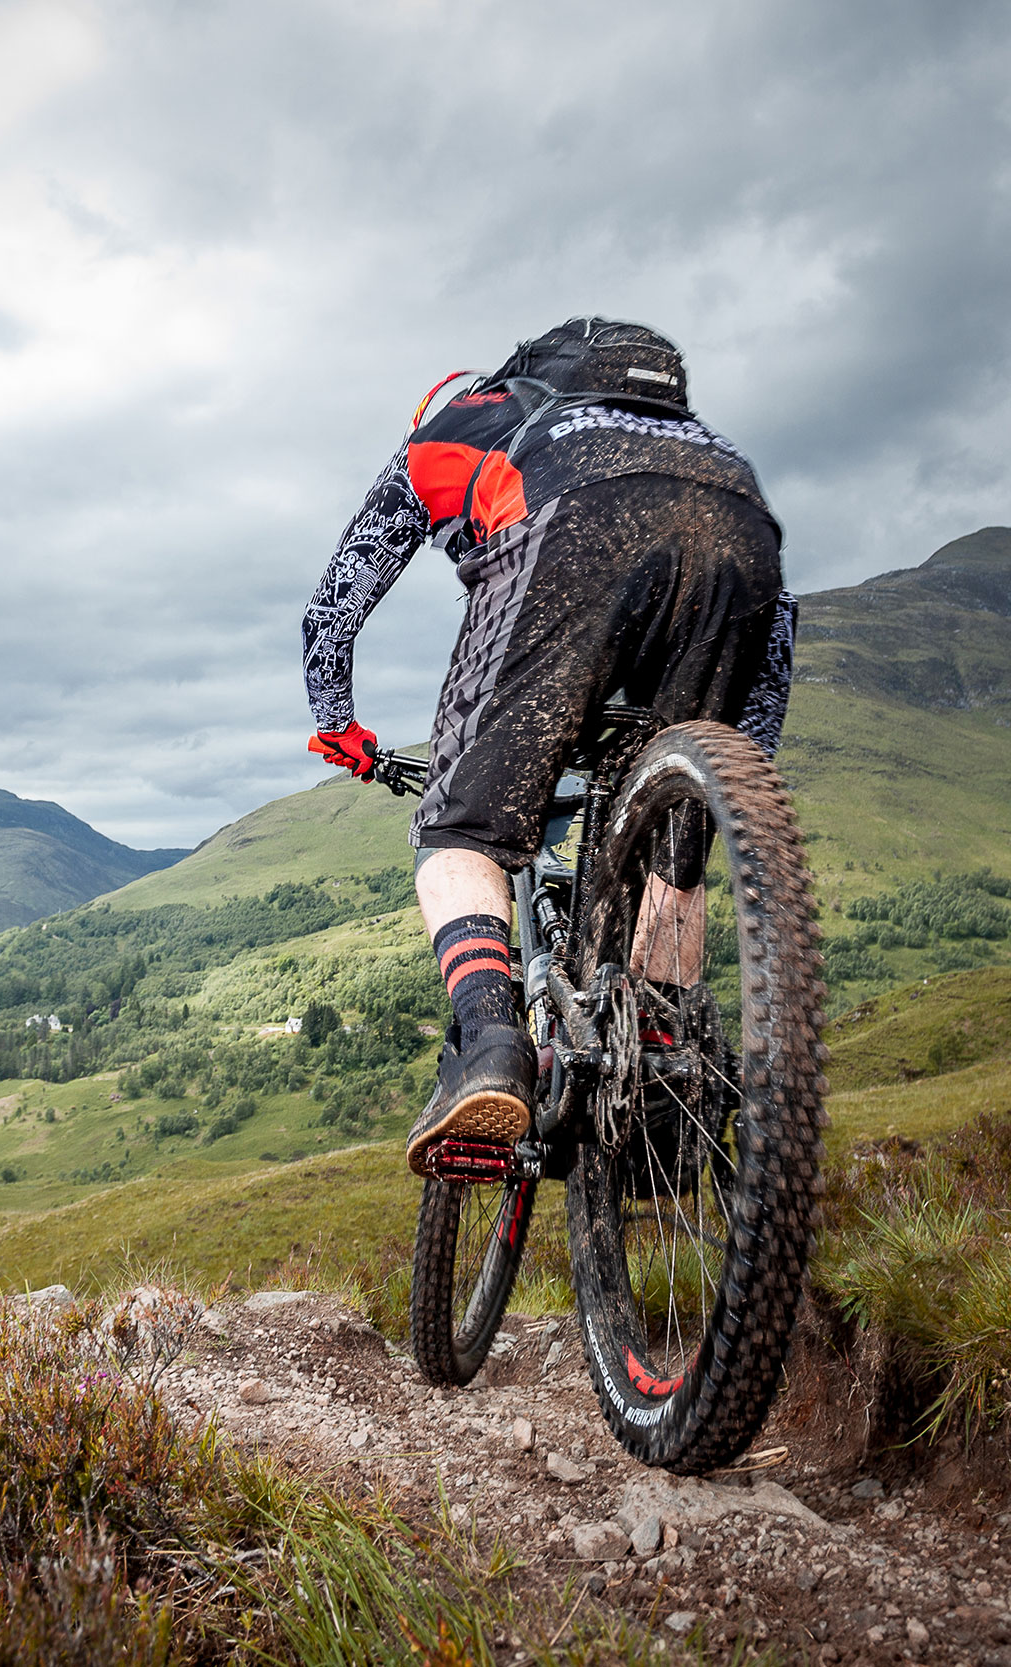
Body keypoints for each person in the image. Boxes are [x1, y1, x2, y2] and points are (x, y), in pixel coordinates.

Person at [300, 318, 796, 1176]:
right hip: (745, 533)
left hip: (576, 525)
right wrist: (719, 792)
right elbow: (774, 639)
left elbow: (333, 606)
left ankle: (493, 1044)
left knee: (459, 831)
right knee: (672, 861)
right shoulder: (684, 435)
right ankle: (660, 1068)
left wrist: (340, 727)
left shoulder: (450, 431)